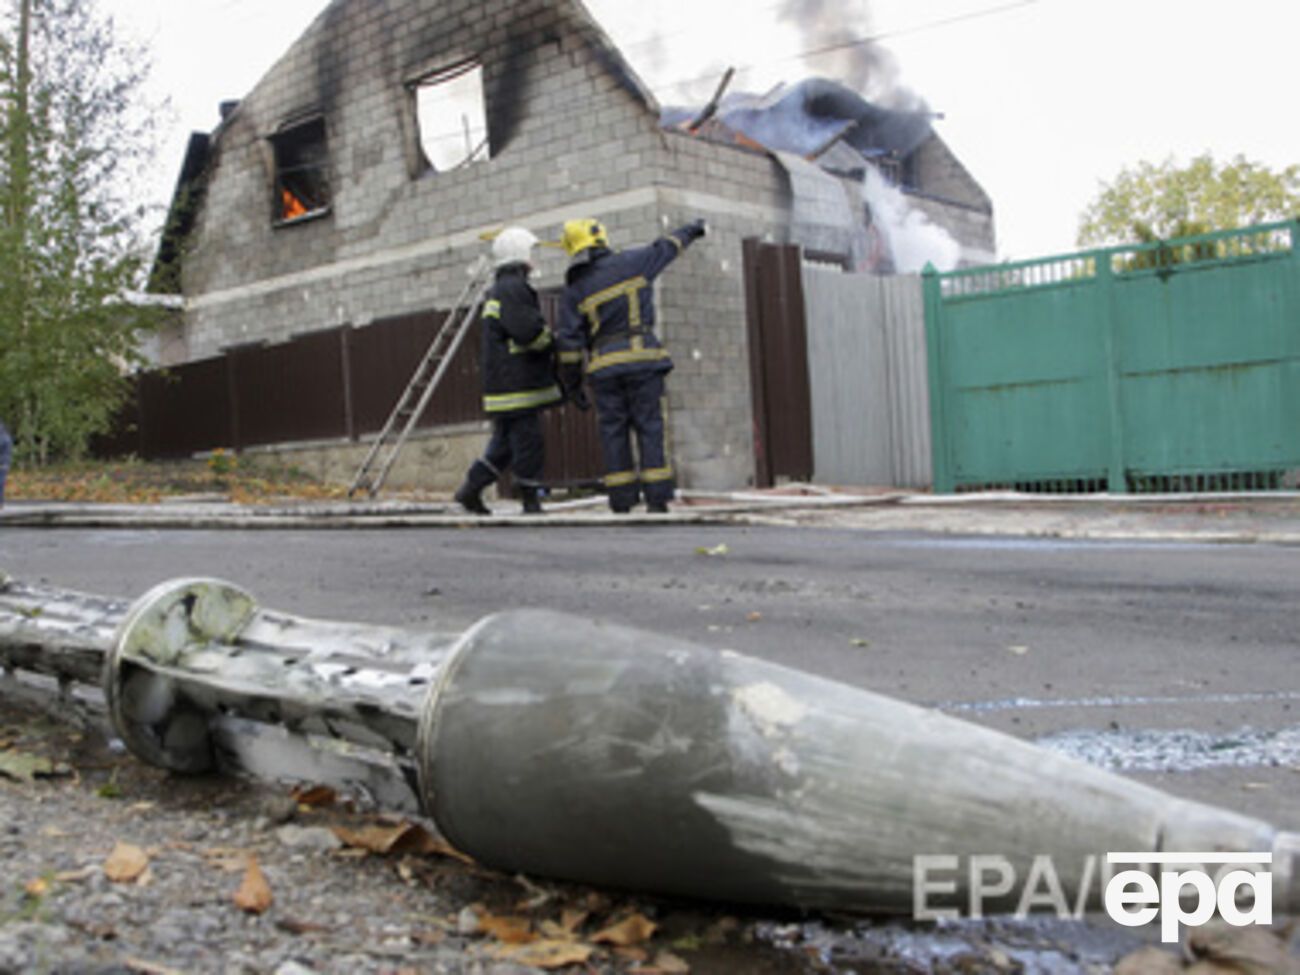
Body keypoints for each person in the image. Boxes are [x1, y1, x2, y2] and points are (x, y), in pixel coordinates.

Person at [556, 217, 707, 514]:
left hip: (604, 371)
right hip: (643, 363)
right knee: (649, 427)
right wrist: (693, 229)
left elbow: (569, 347)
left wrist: (572, 387)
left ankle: (622, 501)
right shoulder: (636, 262)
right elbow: (669, 246)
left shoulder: (575, 290)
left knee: (613, 431)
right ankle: (657, 499)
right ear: (602, 239)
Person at [453, 227, 563, 516]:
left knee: (503, 445)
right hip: (518, 384)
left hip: (503, 383)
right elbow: (528, 332)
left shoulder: (499, 288)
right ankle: (530, 498)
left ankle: (470, 490)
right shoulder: (514, 287)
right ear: (520, 254)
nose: (534, 259)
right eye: (531, 252)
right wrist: (553, 342)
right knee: (529, 441)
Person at [0, 418, 10, 508]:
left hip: (2, 464)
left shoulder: (3, 437)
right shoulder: (5, 436)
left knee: (0, 483)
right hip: (4, 464)